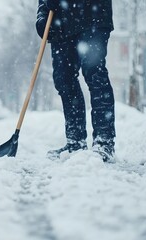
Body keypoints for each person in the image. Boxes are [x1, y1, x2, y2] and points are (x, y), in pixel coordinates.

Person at [36, 0, 116, 162]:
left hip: (93, 16)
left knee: (94, 73)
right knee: (63, 79)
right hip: (61, 25)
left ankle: (104, 141)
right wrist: (42, 16)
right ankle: (75, 141)